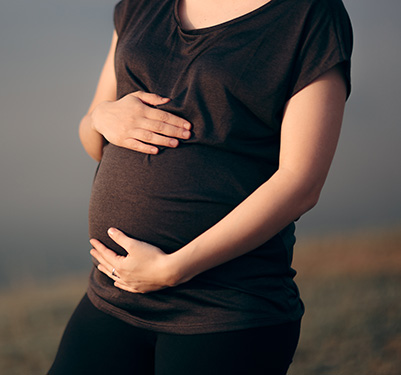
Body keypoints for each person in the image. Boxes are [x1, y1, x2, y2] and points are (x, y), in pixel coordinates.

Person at [48, 0, 352, 373]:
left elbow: (300, 182)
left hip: (226, 308)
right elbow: (92, 138)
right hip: (114, 295)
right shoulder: (140, 6)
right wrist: (99, 118)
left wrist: (173, 268)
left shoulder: (309, 15)